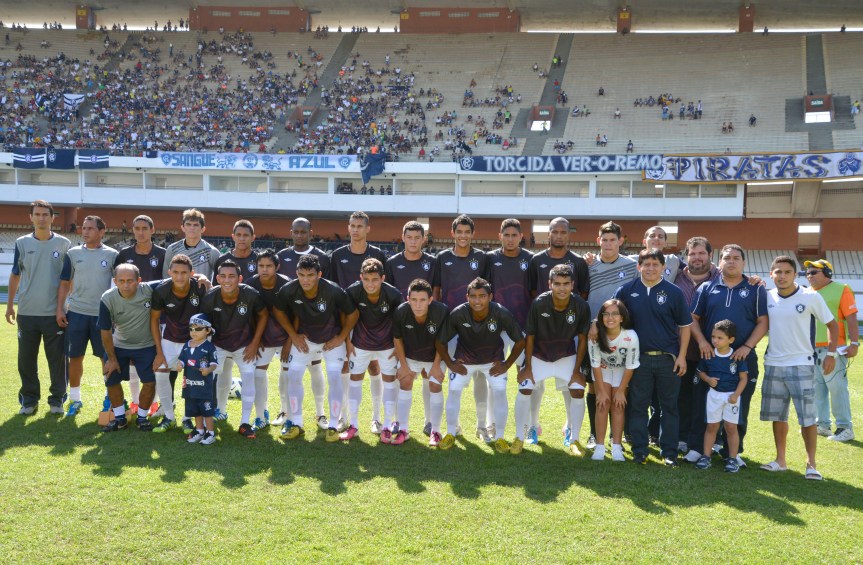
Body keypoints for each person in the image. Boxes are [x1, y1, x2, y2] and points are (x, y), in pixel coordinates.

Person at [685, 244, 766, 467]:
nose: (731, 261)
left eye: (736, 258)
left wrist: (747, 347)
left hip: (742, 358)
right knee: (701, 403)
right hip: (711, 359)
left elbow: (763, 322)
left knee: (740, 404)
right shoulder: (707, 287)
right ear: (718, 262)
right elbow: (692, 317)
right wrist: (702, 341)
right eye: (726, 258)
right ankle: (697, 448)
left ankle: (733, 451)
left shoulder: (755, 288)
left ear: (744, 263)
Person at [760, 256, 838, 480]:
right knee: (778, 416)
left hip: (802, 364)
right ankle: (780, 460)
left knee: (808, 418)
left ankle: (811, 464)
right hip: (774, 364)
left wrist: (831, 354)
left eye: (786, 272)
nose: (782, 276)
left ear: (795, 275)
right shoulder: (767, 297)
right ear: (771, 274)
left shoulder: (810, 296)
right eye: (778, 272)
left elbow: (832, 324)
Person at [612, 249, 692, 466]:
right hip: (638, 360)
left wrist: (682, 356)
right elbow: (609, 316)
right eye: (645, 264)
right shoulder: (627, 290)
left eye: (655, 264)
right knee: (638, 406)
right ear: (639, 267)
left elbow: (685, 327)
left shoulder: (673, 292)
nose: (650, 268)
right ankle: (640, 450)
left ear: (663, 267)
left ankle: (669, 453)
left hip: (668, 359)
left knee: (669, 407)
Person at [274, 254, 358, 442]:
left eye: (310, 275)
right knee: (293, 376)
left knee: (335, 377)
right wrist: (293, 335)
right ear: (296, 274)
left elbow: (353, 313)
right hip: (306, 339)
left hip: (331, 341)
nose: (306, 279)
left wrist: (341, 337)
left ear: (319, 274)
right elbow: (278, 310)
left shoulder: (333, 290)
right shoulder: (289, 290)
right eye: (302, 275)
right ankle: (297, 423)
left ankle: (334, 425)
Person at [435, 277, 524, 453]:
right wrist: (451, 363)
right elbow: (440, 341)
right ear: (467, 297)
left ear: (490, 297)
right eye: (473, 296)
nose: (477, 301)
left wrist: (506, 364)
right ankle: (451, 432)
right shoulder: (459, 313)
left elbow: (520, 341)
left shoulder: (501, 313)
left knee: (499, 392)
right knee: (453, 391)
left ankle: (499, 437)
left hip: (492, 363)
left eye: (482, 296)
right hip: (464, 362)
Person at [514, 265, 590, 455]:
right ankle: (519, 437)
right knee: (525, 388)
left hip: (566, 356)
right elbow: (530, 336)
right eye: (557, 284)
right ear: (550, 284)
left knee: (578, 391)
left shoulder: (581, 305)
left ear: (573, 284)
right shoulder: (539, 303)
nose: (561, 288)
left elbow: (582, 339)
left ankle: (574, 439)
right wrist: (528, 367)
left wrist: (577, 371)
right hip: (540, 356)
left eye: (566, 284)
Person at [529, 217, 590, 446]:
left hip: (569, 332)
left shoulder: (579, 262)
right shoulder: (537, 260)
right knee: (535, 384)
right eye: (554, 231)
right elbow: (533, 293)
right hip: (542, 332)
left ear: (569, 234)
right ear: (548, 233)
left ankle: (569, 427)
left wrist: (567, 320)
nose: (559, 236)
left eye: (563, 232)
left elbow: (582, 295)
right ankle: (533, 425)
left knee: (569, 384)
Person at [433, 214, 494, 441]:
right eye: (459, 231)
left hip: (477, 326)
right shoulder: (442, 257)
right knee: (453, 374)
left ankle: (481, 426)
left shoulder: (482, 258)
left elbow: (488, 290)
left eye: (467, 232)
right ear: (453, 233)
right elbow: (437, 289)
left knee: (480, 376)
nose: (463, 236)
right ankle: (454, 424)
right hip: (451, 325)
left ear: (472, 234)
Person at [7, 200, 71, 415]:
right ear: (31, 217)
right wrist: (9, 306)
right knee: (26, 360)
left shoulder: (64, 244)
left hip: (55, 313)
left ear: (53, 218)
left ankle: (57, 400)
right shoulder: (21, 243)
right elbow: (15, 274)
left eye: (45, 214)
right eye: (37, 214)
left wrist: (62, 307)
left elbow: (67, 279)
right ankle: (29, 400)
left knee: (57, 361)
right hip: (27, 312)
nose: (41, 218)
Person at [329, 211, 388, 434]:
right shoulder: (337, 255)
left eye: (359, 226)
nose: (355, 229)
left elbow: (383, 286)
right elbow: (333, 288)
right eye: (352, 225)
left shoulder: (378, 254)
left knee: (374, 366)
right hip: (345, 319)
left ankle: (376, 418)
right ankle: (344, 416)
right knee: (346, 364)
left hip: (372, 320)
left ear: (367, 229)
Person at [57, 215, 119, 417]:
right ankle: (75, 400)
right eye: (83, 228)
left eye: (90, 228)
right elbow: (65, 283)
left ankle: (110, 398)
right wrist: (60, 308)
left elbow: (118, 285)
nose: (85, 231)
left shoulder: (112, 255)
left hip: (102, 317)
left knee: (107, 358)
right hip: (76, 314)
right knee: (74, 357)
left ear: (102, 232)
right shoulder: (73, 254)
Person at [200, 260, 268, 438]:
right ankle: (211, 415)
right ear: (217, 278)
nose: (227, 280)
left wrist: (254, 342)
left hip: (244, 344)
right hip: (219, 344)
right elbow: (204, 323)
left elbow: (263, 315)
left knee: (248, 376)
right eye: (223, 276)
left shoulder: (251, 294)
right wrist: (206, 346)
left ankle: (245, 422)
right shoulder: (210, 297)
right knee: (210, 376)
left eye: (232, 276)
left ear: (240, 278)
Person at [275, 217, 330, 429]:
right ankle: (284, 410)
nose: (299, 235)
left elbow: (326, 289)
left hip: (312, 324)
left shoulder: (322, 257)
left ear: (310, 233)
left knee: (316, 367)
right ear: (291, 232)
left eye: (303, 231)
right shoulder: (282, 256)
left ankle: (320, 414)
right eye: (296, 231)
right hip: (287, 323)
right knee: (285, 368)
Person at [341, 259, 403, 441]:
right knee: (355, 380)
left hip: (387, 346)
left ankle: (385, 425)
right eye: (366, 279)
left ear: (383, 278)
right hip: (360, 344)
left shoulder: (393, 294)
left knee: (390, 382)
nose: (370, 284)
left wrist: (398, 347)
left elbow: (400, 321)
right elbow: (346, 317)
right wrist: (348, 342)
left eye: (375, 279)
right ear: (360, 277)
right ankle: (353, 425)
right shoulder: (352, 292)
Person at [385, 220, 438, 435]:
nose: (413, 241)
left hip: (426, 325)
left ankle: (429, 421)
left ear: (424, 239)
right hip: (401, 324)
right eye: (410, 237)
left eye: (418, 237)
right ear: (403, 237)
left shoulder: (432, 262)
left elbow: (435, 292)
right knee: (402, 372)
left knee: (427, 374)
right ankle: (399, 420)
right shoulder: (392, 262)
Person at [150, 254, 210, 433]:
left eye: (184, 272)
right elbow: (153, 320)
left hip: (194, 340)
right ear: (169, 272)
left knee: (194, 379)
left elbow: (206, 317)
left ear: (192, 273)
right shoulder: (161, 290)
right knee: (161, 374)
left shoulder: (199, 287)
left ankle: (187, 418)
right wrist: (159, 351)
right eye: (175, 272)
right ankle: (169, 416)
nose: (179, 276)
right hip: (169, 338)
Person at [485, 219, 534, 438]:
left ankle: (529, 425)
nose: (511, 239)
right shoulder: (490, 259)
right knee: (494, 375)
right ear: (500, 236)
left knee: (526, 376)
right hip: (495, 327)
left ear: (521, 237)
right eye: (507, 235)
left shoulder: (531, 260)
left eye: (515, 235)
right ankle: (491, 423)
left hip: (523, 326)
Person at [114, 214, 166, 414]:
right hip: (130, 315)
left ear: (152, 230)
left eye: (145, 228)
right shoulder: (124, 254)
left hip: (156, 314)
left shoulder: (162, 253)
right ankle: (136, 402)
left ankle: (159, 403)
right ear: (133, 230)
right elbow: (118, 284)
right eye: (137, 228)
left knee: (157, 358)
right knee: (134, 360)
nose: (141, 232)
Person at [98, 264, 160, 432]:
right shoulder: (107, 299)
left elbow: (174, 280)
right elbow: (104, 331)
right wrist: (111, 359)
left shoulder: (148, 289)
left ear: (139, 281)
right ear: (114, 281)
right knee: (111, 378)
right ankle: (119, 419)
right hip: (119, 345)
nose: (126, 285)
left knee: (149, 382)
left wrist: (200, 278)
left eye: (130, 281)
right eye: (121, 281)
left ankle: (142, 418)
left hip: (146, 346)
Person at [803, 259, 858, 442]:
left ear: (827, 273)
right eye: (808, 272)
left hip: (833, 348)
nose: (809, 275)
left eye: (814, 272)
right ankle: (822, 424)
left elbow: (851, 318)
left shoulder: (842, 288)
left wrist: (855, 343)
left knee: (837, 388)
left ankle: (844, 427)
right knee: (817, 388)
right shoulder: (807, 292)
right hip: (811, 349)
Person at [392, 279, 449, 447]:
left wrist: (437, 365)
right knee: (405, 381)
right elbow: (397, 338)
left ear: (430, 300)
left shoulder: (442, 311)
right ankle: (403, 430)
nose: (418, 304)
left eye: (423, 300)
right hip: (411, 354)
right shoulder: (401, 312)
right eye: (414, 300)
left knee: (435, 384)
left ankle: (436, 431)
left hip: (434, 356)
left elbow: (443, 341)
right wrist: (403, 365)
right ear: (408, 299)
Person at [211, 220, 258, 414]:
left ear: (253, 238)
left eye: (246, 235)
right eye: (238, 235)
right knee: (223, 370)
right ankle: (220, 409)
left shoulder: (259, 259)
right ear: (233, 236)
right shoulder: (222, 261)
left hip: (250, 324)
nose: (242, 238)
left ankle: (258, 413)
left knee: (256, 374)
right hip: (224, 324)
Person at [245, 250, 293, 431]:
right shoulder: (250, 284)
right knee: (257, 373)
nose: (264, 270)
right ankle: (260, 415)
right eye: (261, 266)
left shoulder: (287, 284)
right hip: (263, 339)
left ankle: (286, 414)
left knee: (288, 373)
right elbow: (249, 315)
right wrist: (255, 339)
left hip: (285, 338)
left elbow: (295, 315)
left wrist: (289, 341)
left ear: (277, 267)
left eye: (269, 266)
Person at [693, 319, 749, 473]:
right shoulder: (709, 354)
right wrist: (708, 379)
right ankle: (706, 456)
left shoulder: (737, 357)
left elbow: (744, 378)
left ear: (731, 340)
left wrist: (736, 395)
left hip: (731, 397)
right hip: (714, 396)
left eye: (720, 338)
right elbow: (700, 371)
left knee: (731, 428)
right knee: (712, 426)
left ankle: (732, 458)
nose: (715, 341)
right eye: (713, 337)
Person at [588, 299, 639, 461]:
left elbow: (631, 366)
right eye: (606, 314)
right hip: (602, 370)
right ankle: (600, 446)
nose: (610, 318)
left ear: (622, 318)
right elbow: (595, 365)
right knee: (602, 404)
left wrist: (621, 391)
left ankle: (616, 446)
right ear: (601, 317)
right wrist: (601, 392)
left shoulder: (630, 336)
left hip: (621, 371)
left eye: (615, 314)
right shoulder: (595, 335)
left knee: (618, 405)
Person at [177, 313, 219, 445]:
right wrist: (180, 365)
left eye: (198, 329)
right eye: (191, 329)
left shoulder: (209, 347)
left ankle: (211, 433)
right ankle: (200, 431)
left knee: (206, 411)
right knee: (195, 410)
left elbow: (214, 363)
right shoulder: (186, 345)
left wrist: (209, 370)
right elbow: (183, 359)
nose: (193, 332)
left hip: (204, 387)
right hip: (189, 385)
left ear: (207, 330)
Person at [163, 208, 220, 280]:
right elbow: (166, 276)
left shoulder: (212, 251)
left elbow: (220, 278)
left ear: (203, 229)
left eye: (196, 225)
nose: (192, 228)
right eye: (188, 224)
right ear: (183, 228)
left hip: (202, 291)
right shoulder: (172, 249)